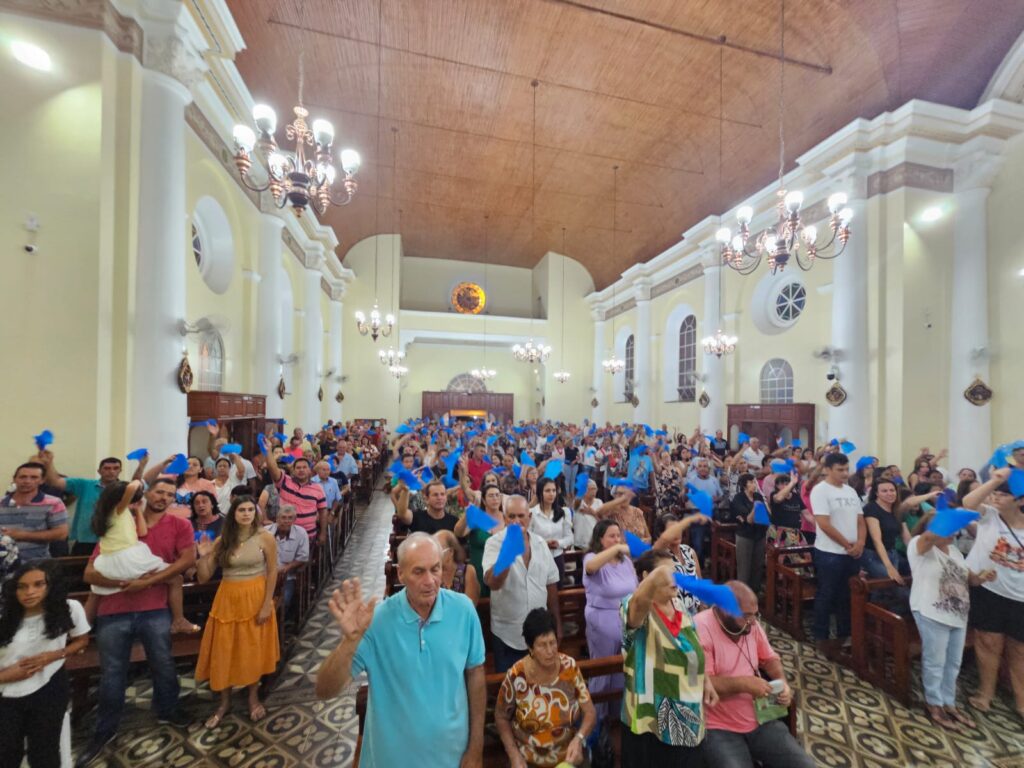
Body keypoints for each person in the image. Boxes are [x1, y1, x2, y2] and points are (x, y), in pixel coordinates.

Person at [315, 533, 486, 768]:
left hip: (452, 757)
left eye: (435, 569)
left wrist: (476, 747)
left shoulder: (463, 610)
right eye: (419, 571)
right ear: (401, 574)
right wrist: (350, 641)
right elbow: (325, 689)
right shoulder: (376, 621)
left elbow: (475, 674)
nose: (429, 581)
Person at [77, 477, 194, 767]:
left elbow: (186, 560)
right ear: (145, 494)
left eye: (169, 494)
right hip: (113, 610)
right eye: (159, 491)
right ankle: (105, 728)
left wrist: (149, 582)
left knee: (163, 663)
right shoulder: (118, 524)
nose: (164, 497)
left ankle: (169, 709)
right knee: (113, 672)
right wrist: (122, 582)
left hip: (154, 607)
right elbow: (90, 574)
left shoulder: (179, 525)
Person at [693, 580, 813, 768]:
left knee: (804, 765)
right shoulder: (701, 627)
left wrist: (782, 682)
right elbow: (703, 685)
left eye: (755, 615)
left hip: (761, 718)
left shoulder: (751, 625)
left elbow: (770, 659)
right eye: (746, 616)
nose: (753, 621)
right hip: (718, 726)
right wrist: (744, 684)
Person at [620, 549, 717, 767]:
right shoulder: (633, 606)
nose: (676, 579)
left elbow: (692, 646)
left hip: (688, 710)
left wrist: (705, 680)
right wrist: (655, 577)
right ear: (647, 576)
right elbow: (636, 608)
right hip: (652, 716)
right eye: (668, 574)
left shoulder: (679, 604)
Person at [195, 496, 279, 727]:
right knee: (225, 648)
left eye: (250, 509)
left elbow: (272, 572)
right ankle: (224, 702)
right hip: (228, 598)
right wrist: (203, 556)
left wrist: (266, 604)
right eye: (241, 509)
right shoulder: (223, 540)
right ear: (233, 513)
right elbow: (203, 577)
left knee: (251, 647)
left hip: (255, 595)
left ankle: (253, 698)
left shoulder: (265, 538)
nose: (246, 514)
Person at [0, 560, 90, 768]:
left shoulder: (68, 609)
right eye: (22, 586)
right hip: (6, 693)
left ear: (50, 586)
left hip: (50, 686)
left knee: (45, 751)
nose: (29, 592)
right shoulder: (5, 616)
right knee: (6, 752)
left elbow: (81, 640)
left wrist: (54, 655)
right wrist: (6, 676)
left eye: (38, 584)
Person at [909, 521, 995, 731]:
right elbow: (928, 538)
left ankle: (949, 702)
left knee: (953, 662)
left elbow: (969, 579)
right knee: (935, 661)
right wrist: (943, 519)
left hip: (957, 614)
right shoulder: (919, 546)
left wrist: (983, 577)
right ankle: (933, 704)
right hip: (931, 610)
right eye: (949, 530)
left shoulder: (955, 551)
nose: (953, 534)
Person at [495, 608, 597, 768]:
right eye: (542, 645)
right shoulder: (517, 675)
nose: (550, 651)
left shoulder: (569, 668)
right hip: (528, 760)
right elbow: (501, 717)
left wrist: (579, 739)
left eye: (552, 642)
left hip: (567, 757)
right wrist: (513, 754)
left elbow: (590, 712)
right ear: (530, 648)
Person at [961, 468, 1024, 717]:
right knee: (988, 643)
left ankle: (1021, 699)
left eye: (1004, 495)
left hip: (1019, 594)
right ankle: (985, 692)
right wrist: (996, 480)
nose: (996, 498)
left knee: (1019, 649)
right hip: (989, 590)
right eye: (995, 494)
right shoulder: (990, 517)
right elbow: (968, 502)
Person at [483, 496, 562, 673]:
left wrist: (557, 623)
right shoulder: (494, 543)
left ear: (530, 517)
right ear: (504, 518)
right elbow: (493, 583)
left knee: (539, 688)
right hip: (507, 634)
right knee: (510, 688)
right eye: (511, 516)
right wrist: (508, 552)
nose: (517, 521)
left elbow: (551, 584)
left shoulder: (540, 544)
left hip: (539, 633)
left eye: (521, 516)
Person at [810, 452, 865, 650]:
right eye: (840, 470)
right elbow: (824, 523)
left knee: (846, 595)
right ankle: (820, 635)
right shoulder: (820, 490)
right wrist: (847, 544)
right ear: (827, 470)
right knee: (827, 593)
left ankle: (845, 634)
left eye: (846, 469)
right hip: (829, 552)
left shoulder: (850, 491)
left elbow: (860, 520)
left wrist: (860, 543)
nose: (844, 473)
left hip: (852, 552)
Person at [582, 519, 637, 716]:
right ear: (600, 539)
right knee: (603, 674)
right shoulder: (591, 557)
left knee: (622, 673)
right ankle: (595, 722)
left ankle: (615, 718)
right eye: (611, 536)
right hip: (602, 622)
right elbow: (591, 568)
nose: (617, 540)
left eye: (618, 536)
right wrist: (616, 549)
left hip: (625, 621)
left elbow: (635, 589)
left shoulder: (626, 561)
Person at [37, 451, 128, 555]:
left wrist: (141, 466)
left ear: (120, 470)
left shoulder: (126, 489)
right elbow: (55, 482)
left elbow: (141, 485)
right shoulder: (85, 485)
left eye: (115, 468)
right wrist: (49, 463)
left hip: (115, 540)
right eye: (107, 468)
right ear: (99, 471)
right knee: (78, 570)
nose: (111, 472)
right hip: (85, 540)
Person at [0, 462, 69, 562]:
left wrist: (23, 535)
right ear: (14, 479)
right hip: (3, 566)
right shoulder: (1, 503)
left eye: (34, 477)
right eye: (22, 477)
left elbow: (61, 533)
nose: (27, 481)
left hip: (36, 564)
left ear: (42, 480)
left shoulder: (53, 503)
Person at [651, 513, 709, 616]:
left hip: (694, 610)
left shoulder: (689, 551)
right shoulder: (660, 555)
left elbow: (699, 582)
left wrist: (702, 606)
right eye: (672, 530)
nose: (677, 533)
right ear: (661, 534)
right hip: (673, 613)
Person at [454, 482, 504, 598]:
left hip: (501, 571)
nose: (495, 498)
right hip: (478, 571)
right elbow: (458, 532)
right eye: (491, 496)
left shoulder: (507, 517)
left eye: (497, 495)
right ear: (484, 500)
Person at [265, 453, 328, 544]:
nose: (301, 470)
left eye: (304, 467)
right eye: (298, 468)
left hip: (308, 535)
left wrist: (323, 533)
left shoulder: (318, 488)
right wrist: (268, 451)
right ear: (293, 471)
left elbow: (323, 511)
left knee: (304, 558)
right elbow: (273, 469)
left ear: (309, 470)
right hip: (285, 533)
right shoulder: (284, 481)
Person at [265, 505, 309, 616]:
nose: (286, 521)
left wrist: (287, 568)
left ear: (294, 520)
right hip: (264, 575)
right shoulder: (265, 532)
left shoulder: (301, 533)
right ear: (277, 518)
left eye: (290, 518)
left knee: (284, 602)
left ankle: (279, 627)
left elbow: (303, 557)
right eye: (283, 517)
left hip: (287, 577)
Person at [728, 473, 768, 593]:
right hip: (745, 535)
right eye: (751, 482)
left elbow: (764, 517)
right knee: (744, 568)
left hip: (759, 534)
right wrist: (755, 508)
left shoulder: (758, 496)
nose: (754, 484)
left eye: (754, 481)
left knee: (757, 566)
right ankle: (742, 596)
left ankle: (755, 592)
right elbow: (749, 520)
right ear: (744, 485)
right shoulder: (738, 498)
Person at [144, 455, 216, 520]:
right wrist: (164, 463)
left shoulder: (207, 484)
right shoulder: (171, 478)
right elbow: (146, 480)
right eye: (188, 464)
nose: (190, 466)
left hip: (193, 523)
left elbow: (211, 507)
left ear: (200, 469)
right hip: (166, 520)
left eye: (195, 465)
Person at [530, 478, 574, 584]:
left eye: (554, 490)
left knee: (557, 592)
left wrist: (559, 543)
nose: (552, 494)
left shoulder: (564, 512)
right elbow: (528, 538)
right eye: (547, 491)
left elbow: (570, 537)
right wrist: (544, 544)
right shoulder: (532, 513)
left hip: (557, 557)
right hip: (538, 559)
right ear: (540, 492)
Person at [434, 529, 481, 606]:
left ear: (451, 552)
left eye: (438, 549)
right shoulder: (432, 573)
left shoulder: (467, 571)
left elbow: (470, 606)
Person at [766, 472, 806, 549]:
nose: (785, 486)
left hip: (794, 532)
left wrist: (818, 526)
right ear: (777, 485)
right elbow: (778, 499)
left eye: (787, 484)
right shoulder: (774, 494)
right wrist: (792, 483)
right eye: (782, 484)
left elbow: (806, 514)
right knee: (779, 558)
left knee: (803, 557)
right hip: (779, 532)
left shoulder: (796, 496)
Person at [572, 478, 603, 549]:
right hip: (579, 542)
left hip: (594, 542)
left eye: (595, 489)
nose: (593, 491)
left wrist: (593, 513)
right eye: (590, 489)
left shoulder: (599, 502)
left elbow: (603, 522)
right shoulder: (578, 502)